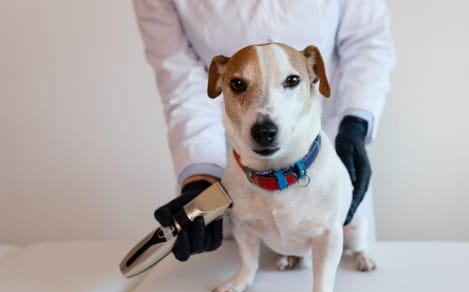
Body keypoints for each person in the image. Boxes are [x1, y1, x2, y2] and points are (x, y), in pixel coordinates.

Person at [132, 0, 396, 261]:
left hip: (324, 156)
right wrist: (200, 176)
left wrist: (355, 123)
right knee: (233, 283)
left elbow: (367, 44)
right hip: (240, 175)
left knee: (350, 267)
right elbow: (183, 82)